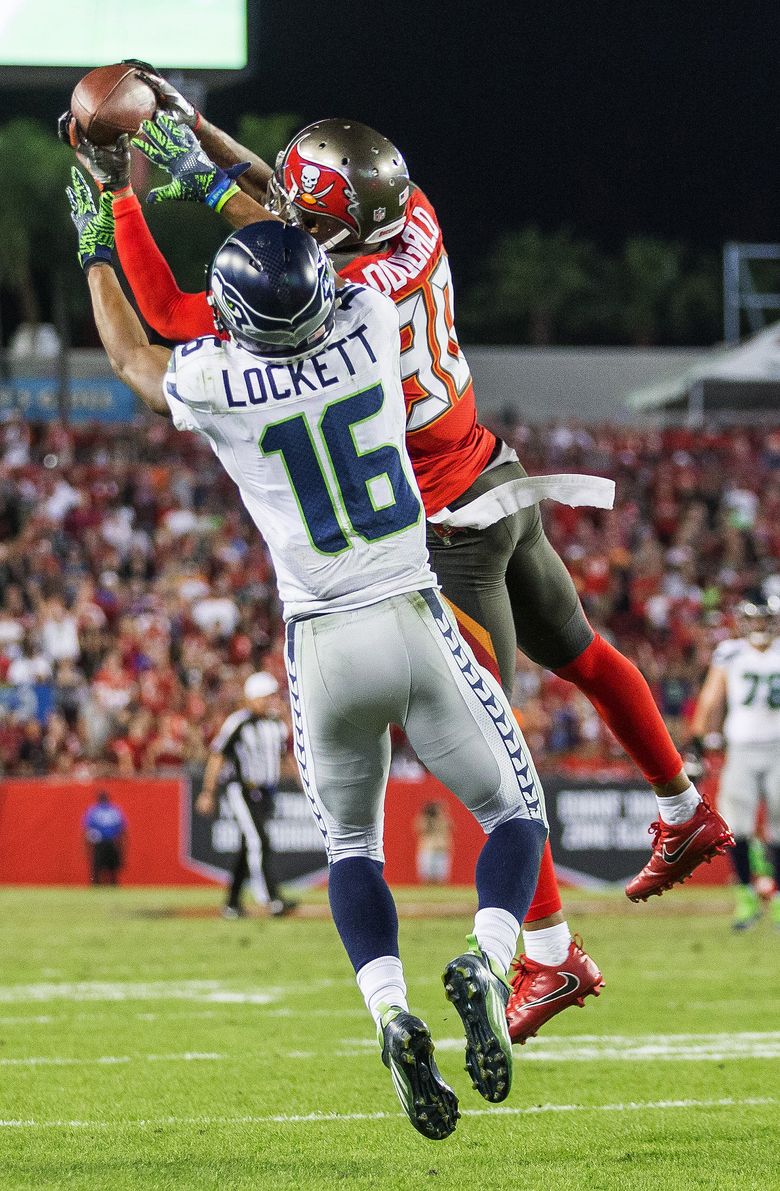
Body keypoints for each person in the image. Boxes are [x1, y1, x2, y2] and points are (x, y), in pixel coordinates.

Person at [61, 90, 733, 1044]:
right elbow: (291, 218)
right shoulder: (405, 230)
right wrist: (200, 146)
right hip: (495, 471)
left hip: (440, 536)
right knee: (582, 651)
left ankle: (545, 954)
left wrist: (133, 197)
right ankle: (681, 801)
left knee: (499, 763)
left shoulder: (325, 308)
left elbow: (175, 310)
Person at [67, 181, 549, 1139]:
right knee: (514, 814)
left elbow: (132, 347)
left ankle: (391, 1010)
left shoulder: (213, 382)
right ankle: (489, 958)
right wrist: (206, 175)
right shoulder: (368, 322)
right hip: (413, 611)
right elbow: (300, 234)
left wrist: (102, 218)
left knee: (350, 849)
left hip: (320, 640)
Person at [689, 599, 780, 930]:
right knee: (736, 827)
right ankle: (746, 896)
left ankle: (778, 898)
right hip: (741, 748)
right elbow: (712, 696)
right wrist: (697, 739)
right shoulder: (731, 652)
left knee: (779, 828)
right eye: (753, 621)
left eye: (764, 620)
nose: (758, 627)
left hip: (778, 748)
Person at [196, 671, 296, 918]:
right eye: (265, 696)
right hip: (242, 789)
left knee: (247, 846)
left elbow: (284, 757)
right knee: (259, 841)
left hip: (266, 792)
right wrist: (208, 791)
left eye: (272, 696)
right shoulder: (238, 722)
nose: (270, 701)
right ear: (252, 698)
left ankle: (231, 904)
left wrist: (301, 782)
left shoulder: (276, 724)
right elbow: (218, 755)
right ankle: (271, 899)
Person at [83, 790, 127, 885]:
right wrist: (123, 847)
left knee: (97, 869)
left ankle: (96, 886)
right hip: (112, 842)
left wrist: (86, 847)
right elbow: (123, 829)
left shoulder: (93, 810)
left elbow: (87, 829)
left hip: (99, 844)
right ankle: (113, 886)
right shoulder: (115, 810)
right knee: (112, 870)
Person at [414, 801, 454, 885]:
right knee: (427, 877)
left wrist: (441, 819)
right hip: (428, 849)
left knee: (441, 877)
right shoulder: (425, 820)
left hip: (441, 850)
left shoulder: (444, 821)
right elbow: (419, 829)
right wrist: (427, 817)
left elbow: (450, 829)